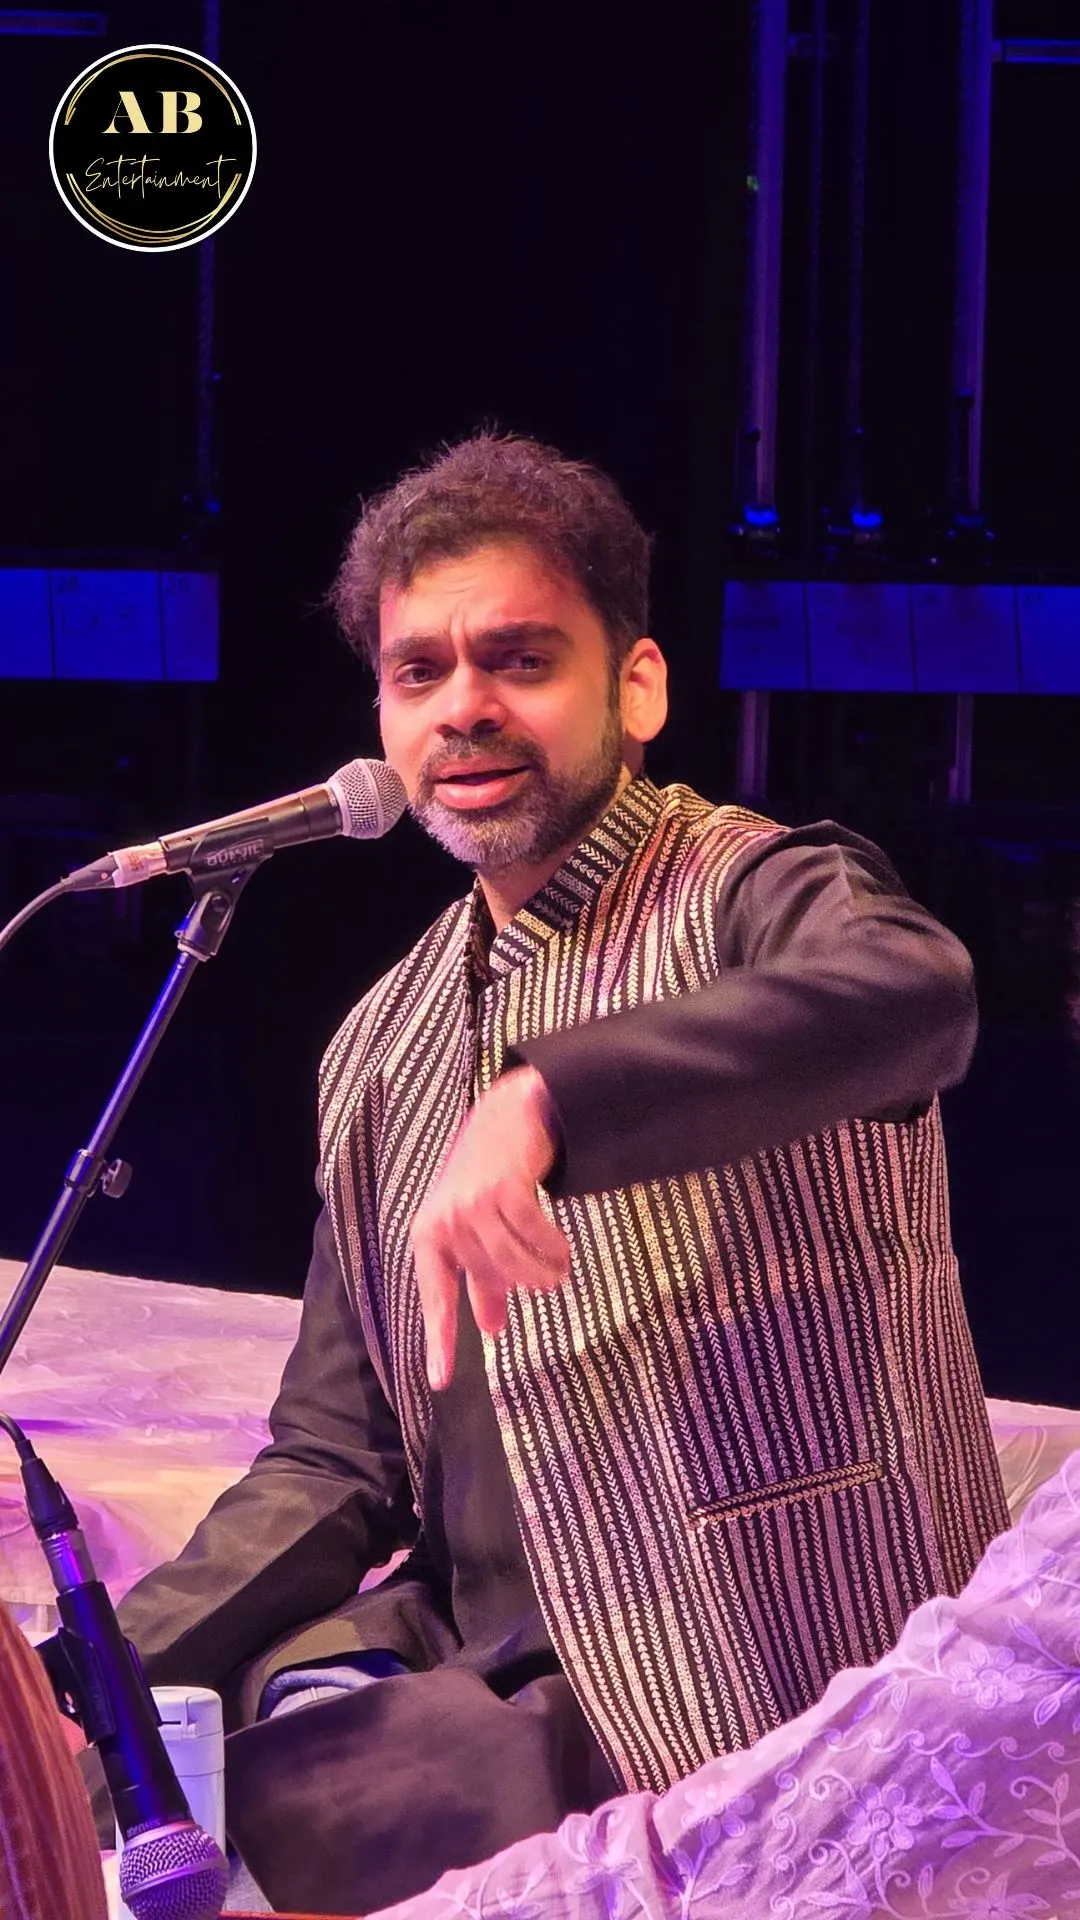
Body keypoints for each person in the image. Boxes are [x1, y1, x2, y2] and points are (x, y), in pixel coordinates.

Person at [90, 432, 1009, 1915]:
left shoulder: (756, 887)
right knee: (141, 1770)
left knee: (307, 1803)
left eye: (519, 659)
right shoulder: (380, 1045)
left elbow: (919, 996)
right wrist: (89, 1683)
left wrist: (545, 1099)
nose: (465, 706)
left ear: (637, 688)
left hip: (747, 1660)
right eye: (420, 672)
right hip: (496, 1664)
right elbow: (334, 1462)